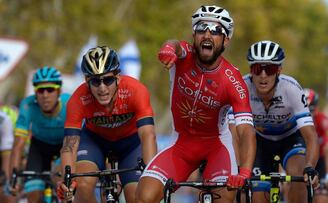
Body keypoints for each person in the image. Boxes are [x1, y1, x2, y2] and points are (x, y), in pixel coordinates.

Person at [135, 5, 256, 203]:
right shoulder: (184, 55)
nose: (207, 35)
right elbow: (174, 44)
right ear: (194, 34)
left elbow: (246, 132)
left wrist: (244, 172)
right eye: (201, 28)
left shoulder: (233, 80)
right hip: (181, 144)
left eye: (216, 31)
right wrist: (167, 49)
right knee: (143, 197)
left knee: (224, 199)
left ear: (225, 40)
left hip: (216, 146)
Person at [57, 46, 157, 203]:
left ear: (118, 77)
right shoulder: (78, 99)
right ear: (86, 81)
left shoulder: (136, 90)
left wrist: (152, 174)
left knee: (140, 196)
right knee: (81, 185)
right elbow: (69, 145)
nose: (102, 88)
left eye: (108, 80)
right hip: (95, 142)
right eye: (95, 81)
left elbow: (147, 135)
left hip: (130, 145)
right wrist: (67, 181)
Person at [243, 40, 319, 202]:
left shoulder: (291, 89)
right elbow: (235, 133)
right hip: (259, 142)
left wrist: (310, 167)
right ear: (251, 70)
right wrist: (237, 167)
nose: (263, 75)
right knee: (257, 196)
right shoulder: (242, 88)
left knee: (299, 176)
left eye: (269, 69)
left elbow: (311, 136)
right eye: (258, 69)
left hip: (290, 139)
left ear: (279, 70)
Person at [9, 66, 70, 202]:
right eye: (40, 90)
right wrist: (13, 178)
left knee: (64, 188)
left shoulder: (69, 103)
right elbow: (18, 144)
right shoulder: (27, 105)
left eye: (50, 89)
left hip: (65, 147)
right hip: (39, 148)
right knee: (33, 195)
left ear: (59, 90)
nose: (45, 95)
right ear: (35, 92)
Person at [304, 88, 328, 203]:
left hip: (321, 160)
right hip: (302, 158)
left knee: (322, 196)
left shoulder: (325, 121)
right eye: (305, 111)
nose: (309, 114)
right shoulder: (293, 121)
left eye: (311, 110)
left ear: (317, 108)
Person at [0, 110, 16, 203]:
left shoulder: (4, 120)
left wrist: (5, 181)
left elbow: (6, 156)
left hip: (2, 155)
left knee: (6, 193)